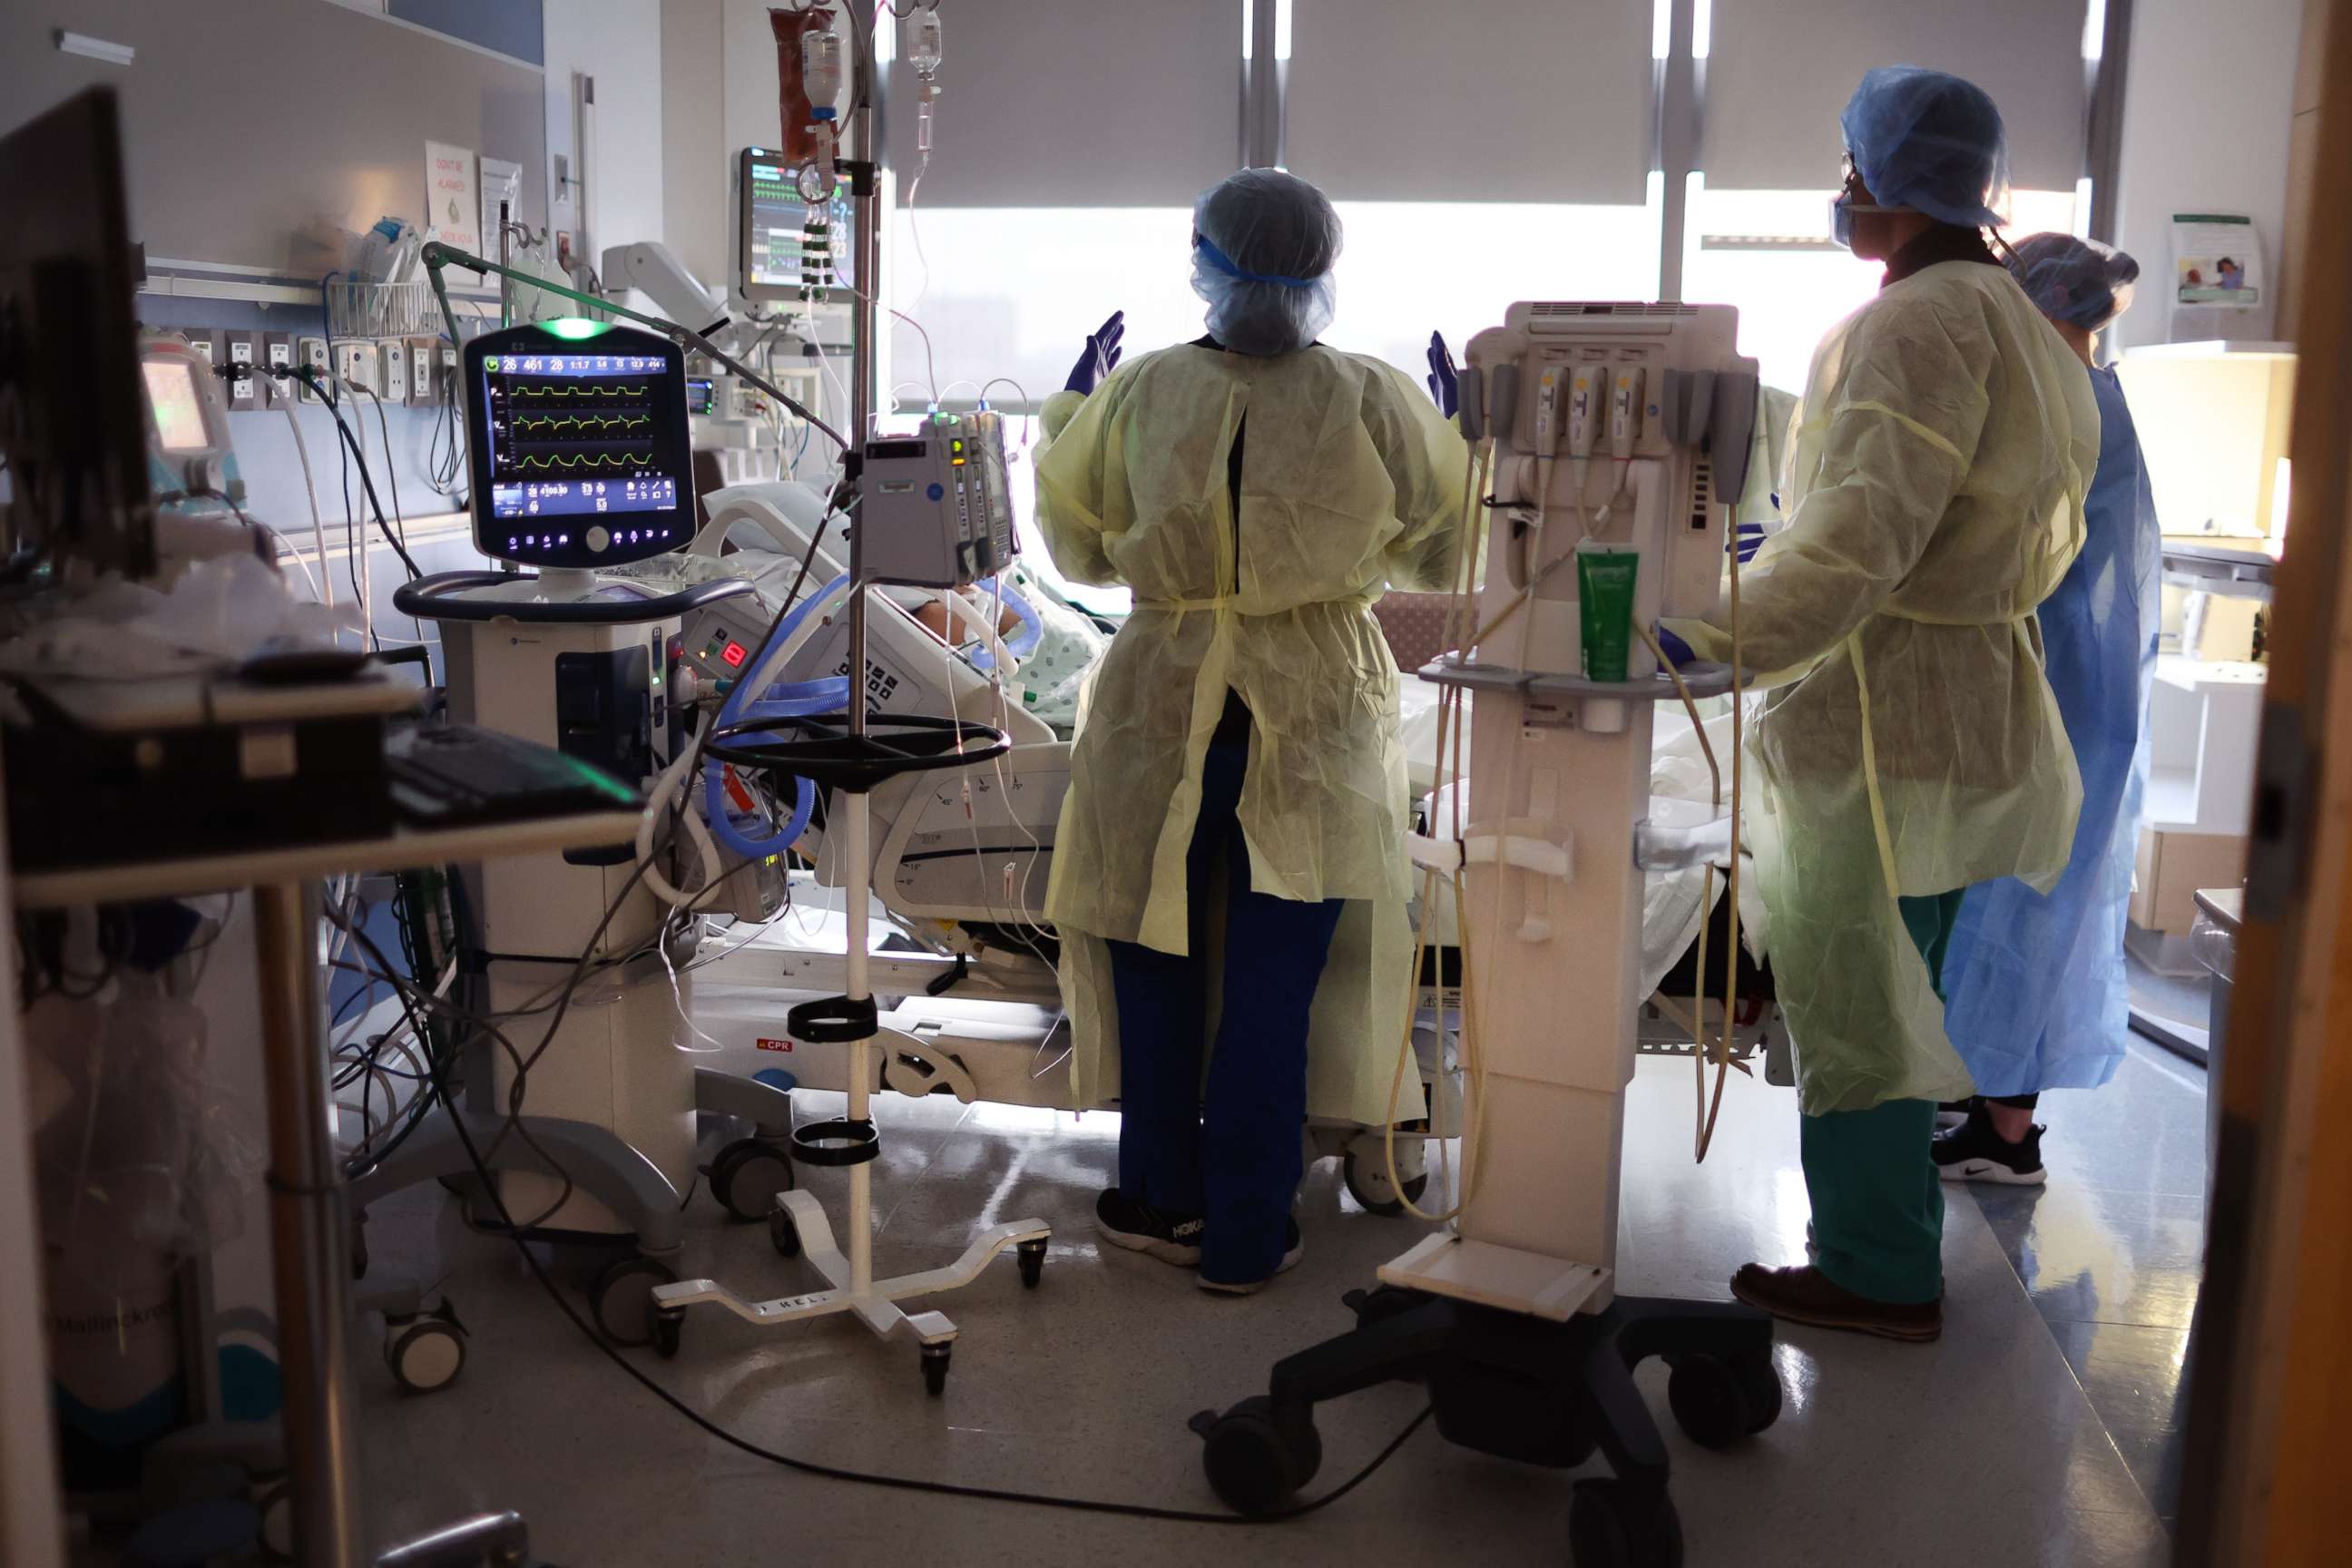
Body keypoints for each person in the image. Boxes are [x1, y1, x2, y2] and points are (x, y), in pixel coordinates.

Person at [1659, 66, 2099, 1341]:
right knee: (1910, 999)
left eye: (1850, 168)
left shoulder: (1913, 325)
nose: (1841, 194)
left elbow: (1859, 544)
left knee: (1857, 995)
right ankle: (1890, 1233)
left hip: (1884, 716)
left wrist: (1701, 638)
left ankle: (1876, 1269)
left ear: (1884, 180)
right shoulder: (2021, 319)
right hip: (1963, 709)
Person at [1032, 170, 1471, 1293]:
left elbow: (1079, 552)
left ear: (1207, 263)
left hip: (1162, 705)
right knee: (1276, 984)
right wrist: (1465, 440)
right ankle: (1243, 1228)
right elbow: (1443, 551)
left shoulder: (1142, 395)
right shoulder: (1371, 400)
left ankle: (1160, 1196)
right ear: (1322, 270)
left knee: (1159, 964)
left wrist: (1067, 420)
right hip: (1313, 709)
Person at [1933, 235, 2161, 1183]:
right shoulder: (2093, 395)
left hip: (2062, 685)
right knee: (2036, 895)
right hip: (2085, 684)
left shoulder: (2062, 407)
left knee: (2025, 897)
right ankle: (1990, 1097)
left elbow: (2007, 548)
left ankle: (2005, 1132)